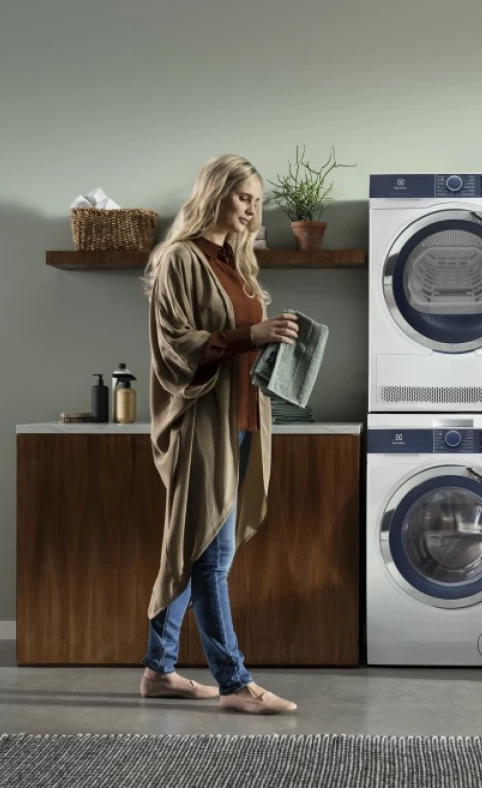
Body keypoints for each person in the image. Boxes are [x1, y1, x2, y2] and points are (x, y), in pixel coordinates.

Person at [137, 154, 299, 714]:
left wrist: (275, 341)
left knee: (195, 546)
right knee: (211, 555)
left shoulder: (238, 261)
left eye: (257, 200)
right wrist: (251, 331)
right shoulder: (179, 258)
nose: (252, 210)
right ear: (216, 193)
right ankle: (235, 682)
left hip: (245, 418)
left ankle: (159, 671)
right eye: (243, 197)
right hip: (205, 422)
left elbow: (241, 339)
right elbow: (174, 346)